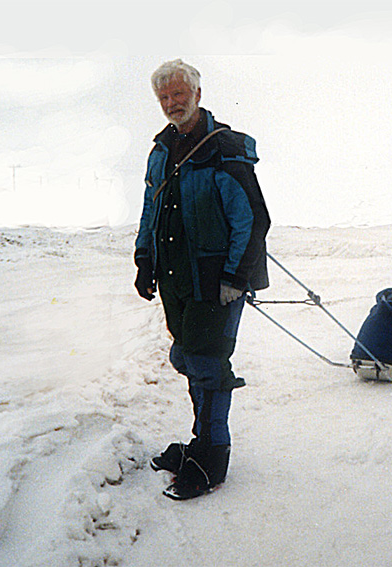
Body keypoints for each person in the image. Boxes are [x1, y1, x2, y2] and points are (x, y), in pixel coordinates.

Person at [134, 59, 270, 500]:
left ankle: (212, 457)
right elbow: (150, 208)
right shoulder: (160, 151)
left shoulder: (223, 149)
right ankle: (200, 442)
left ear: (197, 94)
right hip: (177, 279)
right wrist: (144, 258)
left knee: (208, 365)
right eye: (165, 98)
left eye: (179, 94)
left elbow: (253, 220)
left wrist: (235, 276)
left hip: (216, 281)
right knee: (188, 359)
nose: (173, 104)